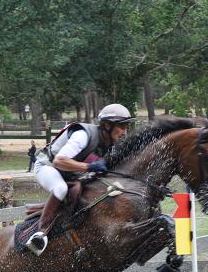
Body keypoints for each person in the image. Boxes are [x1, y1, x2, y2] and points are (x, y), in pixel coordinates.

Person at [28, 103, 135, 254]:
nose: (124, 131)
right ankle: (40, 233)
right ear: (106, 125)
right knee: (61, 188)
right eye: (121, 126)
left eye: (126, 127)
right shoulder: (84, 135)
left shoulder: (109, 145)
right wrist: (89, 167)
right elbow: (59, 161)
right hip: (48, 166)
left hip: (70, 174)